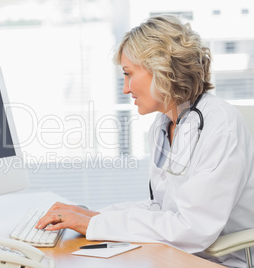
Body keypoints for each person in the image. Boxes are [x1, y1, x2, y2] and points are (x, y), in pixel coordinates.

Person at [36, 15, 254, 267]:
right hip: (174, 253)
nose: (125, 89)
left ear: (162, 70)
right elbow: (160, 209)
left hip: (219, 260)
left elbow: (193, 228)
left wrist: (93, 223)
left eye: (129, 74)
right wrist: (90, 215)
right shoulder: (164, 126)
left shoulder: (220, 124)